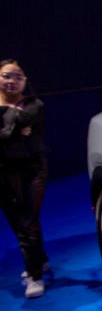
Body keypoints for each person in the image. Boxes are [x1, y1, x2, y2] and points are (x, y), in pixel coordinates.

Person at [0, 59, 50, 298]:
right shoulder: (18, 108)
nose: (12, 81)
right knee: (17, 221)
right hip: (2, 172)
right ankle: (39, 259)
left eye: (18, 76)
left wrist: (14, 122)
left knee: (28, 221)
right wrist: (14, 121)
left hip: (32, 169)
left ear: (25, 81)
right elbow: (11, 131)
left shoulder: (34, 104)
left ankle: (34, 275)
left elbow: (16, 125)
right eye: (7, 76)